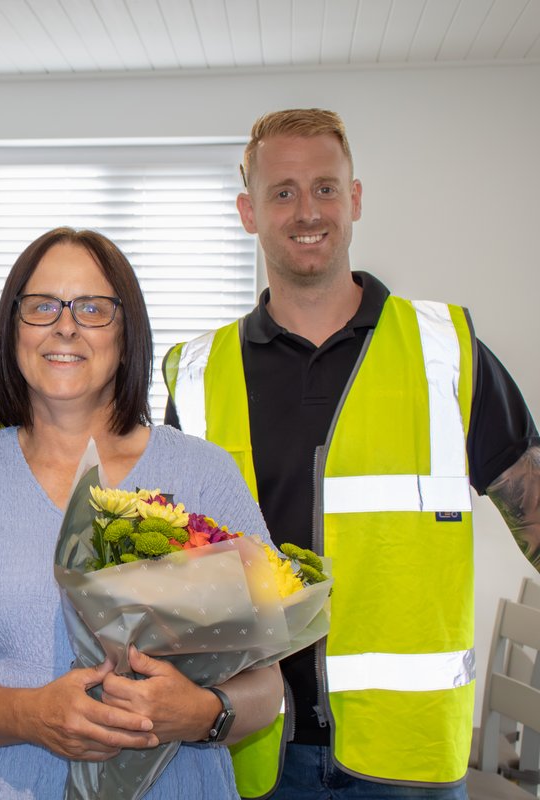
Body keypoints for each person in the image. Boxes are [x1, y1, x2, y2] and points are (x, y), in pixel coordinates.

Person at [163, 108, 540, 799]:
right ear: (249, 211)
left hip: (409, 757)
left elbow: (534, 509)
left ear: (355, 198)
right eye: (283, 192)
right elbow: (169, 563)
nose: (308, 212)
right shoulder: (196, 373)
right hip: (250, 746)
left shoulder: (445, 352)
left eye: (326, 188)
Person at [0, 227, 285, 800]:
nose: (65, 326)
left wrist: (204, 712)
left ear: (128, 330)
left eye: (93, 308)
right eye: (41, 307)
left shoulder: (203, 474)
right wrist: (28, 714)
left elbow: (267, 682)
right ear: (12, 329)